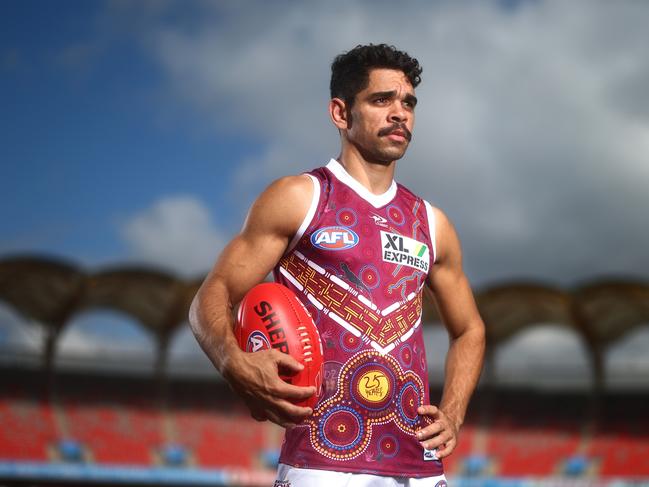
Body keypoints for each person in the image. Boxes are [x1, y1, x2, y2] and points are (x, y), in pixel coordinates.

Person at [189, 44, 485, 487]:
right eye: (381, 100)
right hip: (321, 463)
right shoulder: (300, 198)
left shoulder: (433, 224)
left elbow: (470, 330)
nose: (400, 113)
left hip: (419, 468)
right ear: (341, 113)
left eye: (408, 103)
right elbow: (211, 295)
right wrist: (232, 361)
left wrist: (455, 412)